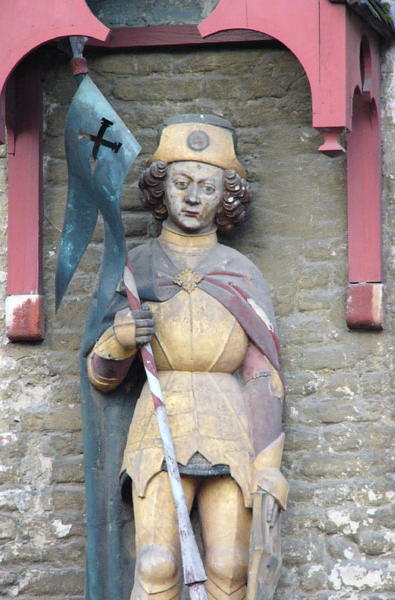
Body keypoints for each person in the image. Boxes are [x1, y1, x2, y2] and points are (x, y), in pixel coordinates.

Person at [86, 115, 288, 600]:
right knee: (156, 565)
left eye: (207, 187)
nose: (193, 198)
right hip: (161, 421)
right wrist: (121, 338)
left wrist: (268, 465)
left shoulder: (240, 271)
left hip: (229, 422)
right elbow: (100, 374)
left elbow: (261, 374)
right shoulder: (138, 267)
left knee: (230, 563)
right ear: (162, 190)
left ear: (226, 197)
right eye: (181, 184)